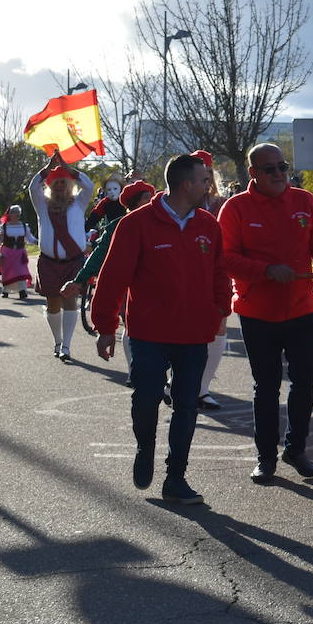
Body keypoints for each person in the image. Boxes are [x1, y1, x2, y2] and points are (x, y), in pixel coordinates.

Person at [90, 154, 228, 504]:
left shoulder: (208, 225)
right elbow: (112, 278)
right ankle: (144, 447)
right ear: (186, 184)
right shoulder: (136, 224)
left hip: (193, 334)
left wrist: (218, 313)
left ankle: (175, 478)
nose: (207, 186)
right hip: (148, 333)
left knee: (186, 405)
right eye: (202, 180)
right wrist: (105, 326)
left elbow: (218, 274)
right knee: (146, 397)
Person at [219, 143, 313, 484]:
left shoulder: (304, 201)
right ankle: (265, 458)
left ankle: (296, 449)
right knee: (266, 387)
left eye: (283, 166)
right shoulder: (236, 208)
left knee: (305, 382)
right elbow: (225, 258)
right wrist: (265, 270)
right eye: (270, 169)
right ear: (253, 174)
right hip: (257, 314)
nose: (279, 174)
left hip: (302, 310)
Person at [60, 179, 156, 380]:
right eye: (147, 198)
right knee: (132, 325)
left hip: (160, 290)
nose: (153, 201)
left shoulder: (163, 223)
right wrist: (79, 280)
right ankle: (134, 372)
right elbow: (98, 256)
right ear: (134, 203)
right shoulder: (118, 227)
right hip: (131, 289)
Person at [29, 151, 94, 361]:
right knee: (53, 303)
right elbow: (33, 188)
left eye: (63, 183)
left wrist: (69, 169)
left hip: (73, 262)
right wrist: (47, 169)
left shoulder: (79, 203)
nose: (60, 187)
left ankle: (67, 345)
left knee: (70, 301)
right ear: (50, 187)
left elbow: (89, 186)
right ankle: (57, 341)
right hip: (48, 263)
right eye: (56, 183)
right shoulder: (42, 205)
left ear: (69, 186)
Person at [191, 150, 230, 410]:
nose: (205, 182)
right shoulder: (180, 202)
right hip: (186, 274)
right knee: (188, 331)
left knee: (219, 326)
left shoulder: (221, 204)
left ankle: (203, 389)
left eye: (208, 176)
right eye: (199, 176)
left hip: (216, 273)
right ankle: (180, 383)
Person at [0, 207, 36, 297]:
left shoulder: (24, 226)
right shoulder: (4, 227)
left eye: (18, 212)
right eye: (15, 212)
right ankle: (6, 291)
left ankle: (22, 291)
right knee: (8, 272)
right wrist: (0, 236)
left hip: (20, 253)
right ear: (10, 214)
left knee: (21, 271)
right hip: (7, 252)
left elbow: (30, 239)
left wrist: (38, 242)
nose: (17, 214)